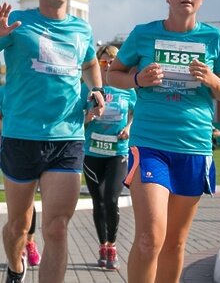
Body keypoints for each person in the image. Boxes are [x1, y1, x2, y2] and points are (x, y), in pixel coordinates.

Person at [0, 0, 105, 283]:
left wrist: (97, 91)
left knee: (56, 227)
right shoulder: (18, 25)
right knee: (19, 225)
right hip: (21, 137)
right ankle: (15, 266)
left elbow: (90, 63)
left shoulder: (82, 29)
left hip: (67, 137)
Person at [106, 0, 220, 283]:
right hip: (150, 145)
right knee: (151, 237)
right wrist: (137, 78)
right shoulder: (143, 34)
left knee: (175, 242)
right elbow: (112, 74)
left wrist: (212, 80)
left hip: (193, 147)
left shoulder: (215, 39)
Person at [82, 44, 136, 270]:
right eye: (103, 62)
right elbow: (78, 120)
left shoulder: (127, 90)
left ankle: (112, 245)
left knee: (111, 198)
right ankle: (102, 244)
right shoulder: (89, 90)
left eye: (112, 63)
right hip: (92, 152)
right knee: (99, 201)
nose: (107, 66)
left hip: (118, 153)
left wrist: (129, 129)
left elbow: (137, 113)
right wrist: (89, 117)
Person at [0, 81, 41, 267]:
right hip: (15, 147)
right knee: (23, 206)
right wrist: (12, 127)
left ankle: (30, 242)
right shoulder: (3, 90)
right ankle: (22, 244)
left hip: (42, 145)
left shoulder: (38, 83)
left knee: (32, 200)